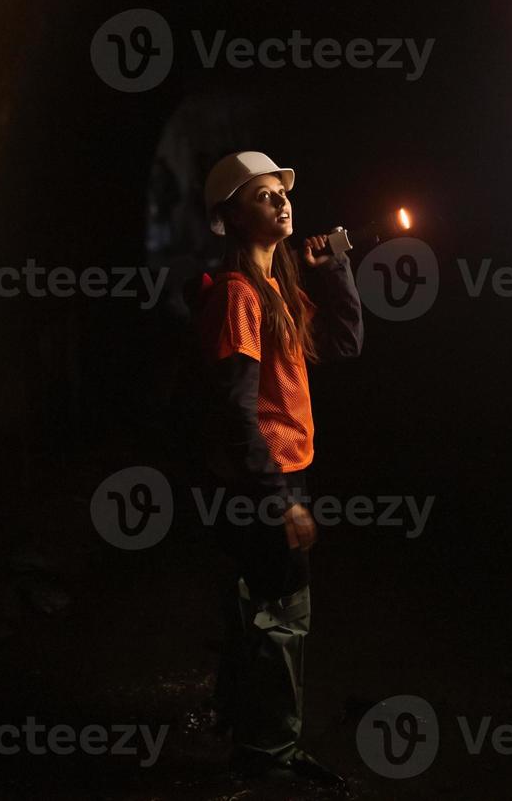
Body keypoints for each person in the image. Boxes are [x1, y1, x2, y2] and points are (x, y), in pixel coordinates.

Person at [192, 151, 364, 785]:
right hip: (260, 479)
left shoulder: (277, 289)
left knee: (256, 608)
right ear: (232, 218)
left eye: (281, 193)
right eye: (263, 196)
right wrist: (281, 497)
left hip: (266, 476)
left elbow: (344, 343)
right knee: (283, 619)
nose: (281, 202)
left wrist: (336, 269)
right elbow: (238, 411)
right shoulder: (238, 296)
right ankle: (270, 758)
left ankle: (239, 724)